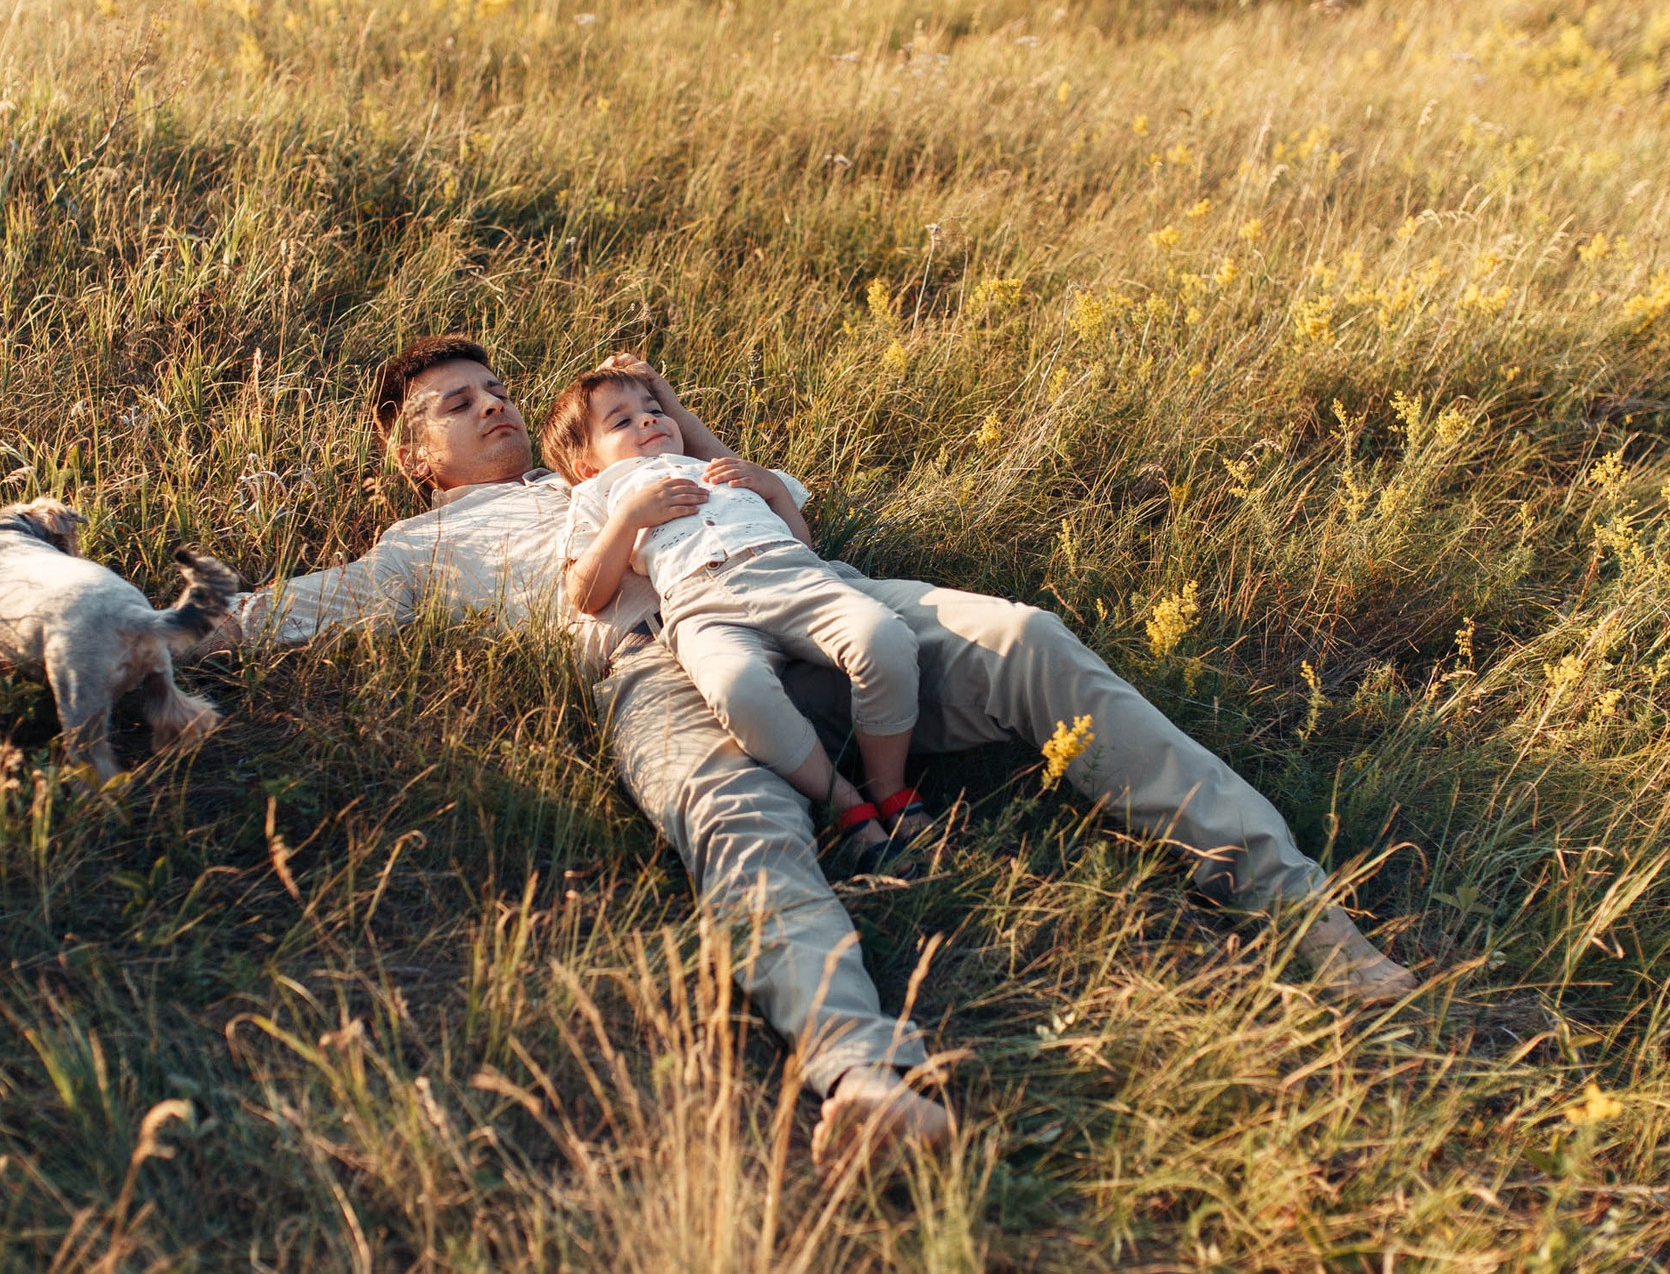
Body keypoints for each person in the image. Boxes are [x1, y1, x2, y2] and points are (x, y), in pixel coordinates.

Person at [219, 336, 1416, 1167]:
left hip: (811, 595)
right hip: (662, 665)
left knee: (1028, 638)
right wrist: (82, 625)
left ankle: (1302, 912)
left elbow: (789, 507)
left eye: (495, 388)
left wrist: (681, 448)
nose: (491, 405)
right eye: (454, 404)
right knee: (734, 826)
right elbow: (264, 618)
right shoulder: (419, 549)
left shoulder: (619, 457)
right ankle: (862, 1078)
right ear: (414, 458)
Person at [542, 365, 930, 870]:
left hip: (786, 571)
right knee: (737, 689)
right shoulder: (598, 496)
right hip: (698, 603)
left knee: (885, 640)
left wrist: (772, 489)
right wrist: (629, 518)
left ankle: (890, 787)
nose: (648, 422)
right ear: (589, 466)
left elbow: (804, 545)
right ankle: (846, 805)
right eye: (622, 422)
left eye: (655, 411)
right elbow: (585, 593)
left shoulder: (714, 466)